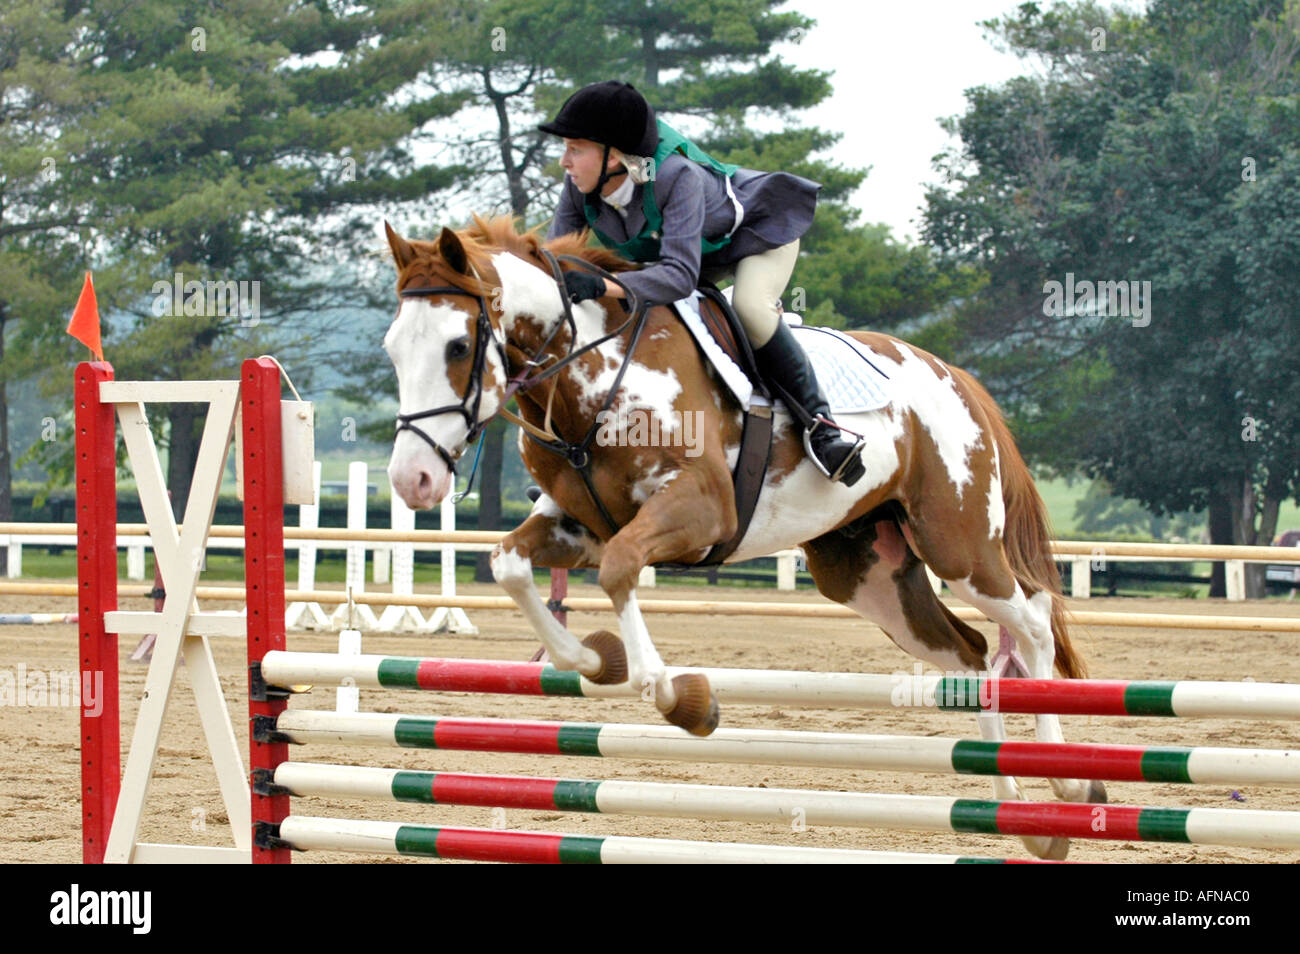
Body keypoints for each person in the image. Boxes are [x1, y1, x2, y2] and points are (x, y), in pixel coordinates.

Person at [539, 80, 866, 486]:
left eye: (575, 149)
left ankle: (822, 427)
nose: (564, 162)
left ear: (613, 156)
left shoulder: (677, 177)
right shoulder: (578, 189)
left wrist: (603, 286)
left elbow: (678, 276)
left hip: (756, 238)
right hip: (690, 252)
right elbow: (557, 263)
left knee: (749, 308)